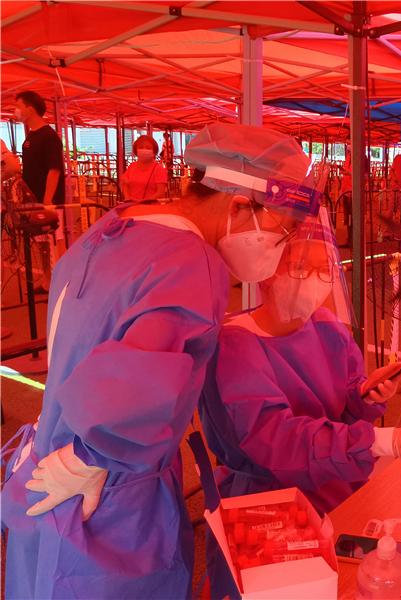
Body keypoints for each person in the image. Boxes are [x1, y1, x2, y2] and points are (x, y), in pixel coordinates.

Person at [1, 124, 321, 599]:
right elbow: (137, 390)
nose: (282, 245)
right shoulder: (191, 261)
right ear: (237, 205)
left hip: (44, 464)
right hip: (104, 491)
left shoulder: (113, 227)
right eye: (282, 229)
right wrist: (93, 457)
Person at [200, 207, 401, 599]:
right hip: (269, 498)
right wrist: (385, 441)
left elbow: (343, 405)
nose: (315, 280)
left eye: (324, 269)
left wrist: (365, 395)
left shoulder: (327, 327)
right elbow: (277, 441)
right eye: (301, 268)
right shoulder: (235, 345)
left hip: (335, 480)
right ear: (267, 272)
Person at [14, 91, 65, 206]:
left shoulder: (49, 136)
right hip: (31, 198)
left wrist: (47, 200)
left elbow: (54, 170)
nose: (16, 111)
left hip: (45, 202)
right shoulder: (31, 135)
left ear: (30, 110)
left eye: (18, 107)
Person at [121, 134, 168, 202]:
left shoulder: (158, 169)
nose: (144, 150)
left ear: (154, 151)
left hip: (150, 205)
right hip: (131, 204)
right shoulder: (131, 166)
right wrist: (128, 198)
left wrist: (143, 202)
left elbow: (160, 193)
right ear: (136, 150)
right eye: (141, 147)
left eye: (148, 148)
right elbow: (125, 185)